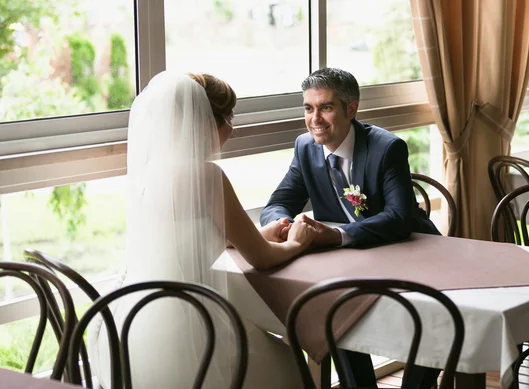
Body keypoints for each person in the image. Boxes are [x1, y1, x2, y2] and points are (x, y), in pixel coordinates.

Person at [87, 71, 316, 389]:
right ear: (205, 122)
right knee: (287, 359)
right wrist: (297, 242)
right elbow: (262, 259)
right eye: (229, 118)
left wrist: (261, 234)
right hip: (195, 329)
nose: (232, 130)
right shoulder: (208, 176)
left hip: (131, 322)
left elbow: (188, 239)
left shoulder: (150, 174)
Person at [260, 67, 441, 388]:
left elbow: (399, 217)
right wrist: (282, 224)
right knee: (336, 312)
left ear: (351, 109)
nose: (315, 118)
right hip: (351, 263)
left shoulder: (387, 148)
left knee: (435, 331)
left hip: (414, 255)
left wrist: (334, 234)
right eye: (308, 108)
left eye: (326, 107)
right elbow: (280, 200)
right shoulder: (305, 147)